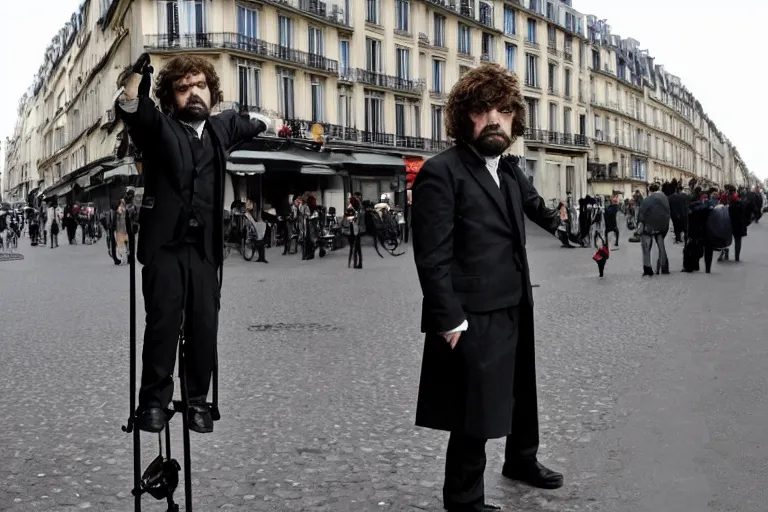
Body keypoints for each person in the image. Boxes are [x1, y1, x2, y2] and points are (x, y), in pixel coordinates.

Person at [411, 63, 563, 512]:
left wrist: (564, 226)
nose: (494, 118)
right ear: (465, 119)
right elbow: (431, 255)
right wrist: (447, 316)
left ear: (516, 119)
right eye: (482, 110)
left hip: (516, 300)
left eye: (503, 109)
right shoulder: (442, 172)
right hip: (472, 311)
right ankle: (463, 499)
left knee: (521, 391)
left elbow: (535, 207)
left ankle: (521, 460)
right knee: (472, 408)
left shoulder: (509, 169)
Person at [116, 53, 269, 434]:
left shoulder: (220, 129)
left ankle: (198, 400)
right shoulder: (160, 129)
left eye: (200, 85)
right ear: (171, 97)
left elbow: (250, 124)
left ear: (211, 92)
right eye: (183, 88)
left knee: (204, 324)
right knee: (164, 323)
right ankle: (153, 402)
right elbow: (136, 110)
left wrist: (270, 123)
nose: (193, 93)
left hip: (204, 249)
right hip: (165, 247)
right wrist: (135, 80)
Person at [637, 182, 670, 276]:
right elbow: (668, 212)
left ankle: (647, 268)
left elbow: (642, 213)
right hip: (662, 224)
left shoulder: (647, 199)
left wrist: (640, 224)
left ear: (650, 190)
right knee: (661, 245)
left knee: (646, 246)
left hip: (649, 225)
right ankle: (664, 267)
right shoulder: (665, 198)